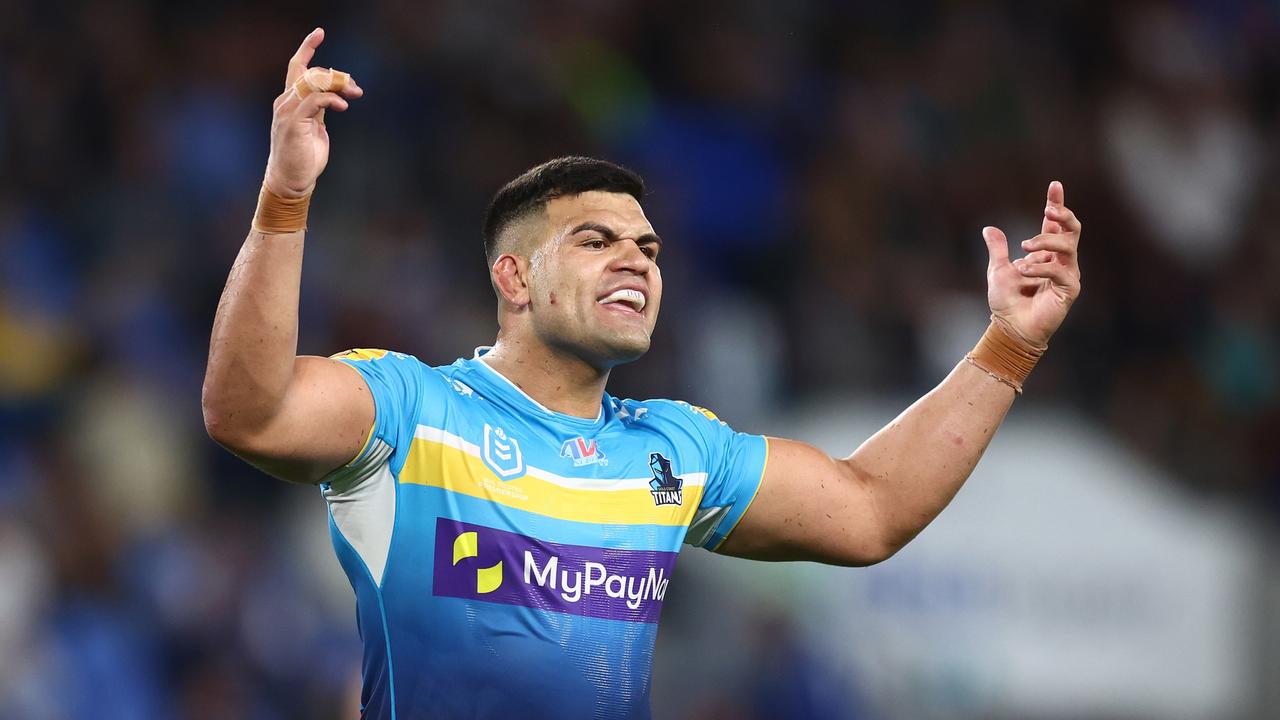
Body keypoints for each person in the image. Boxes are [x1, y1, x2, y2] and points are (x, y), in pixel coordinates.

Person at [201, 29, 1082, 720]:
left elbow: (871, 511)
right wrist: (285, 198)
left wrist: (1007, 347)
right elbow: (247, 412)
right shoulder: (408, 407)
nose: (637, 262)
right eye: (596, 241)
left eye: (649, 249)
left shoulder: (675, 450)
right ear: (514, 278)